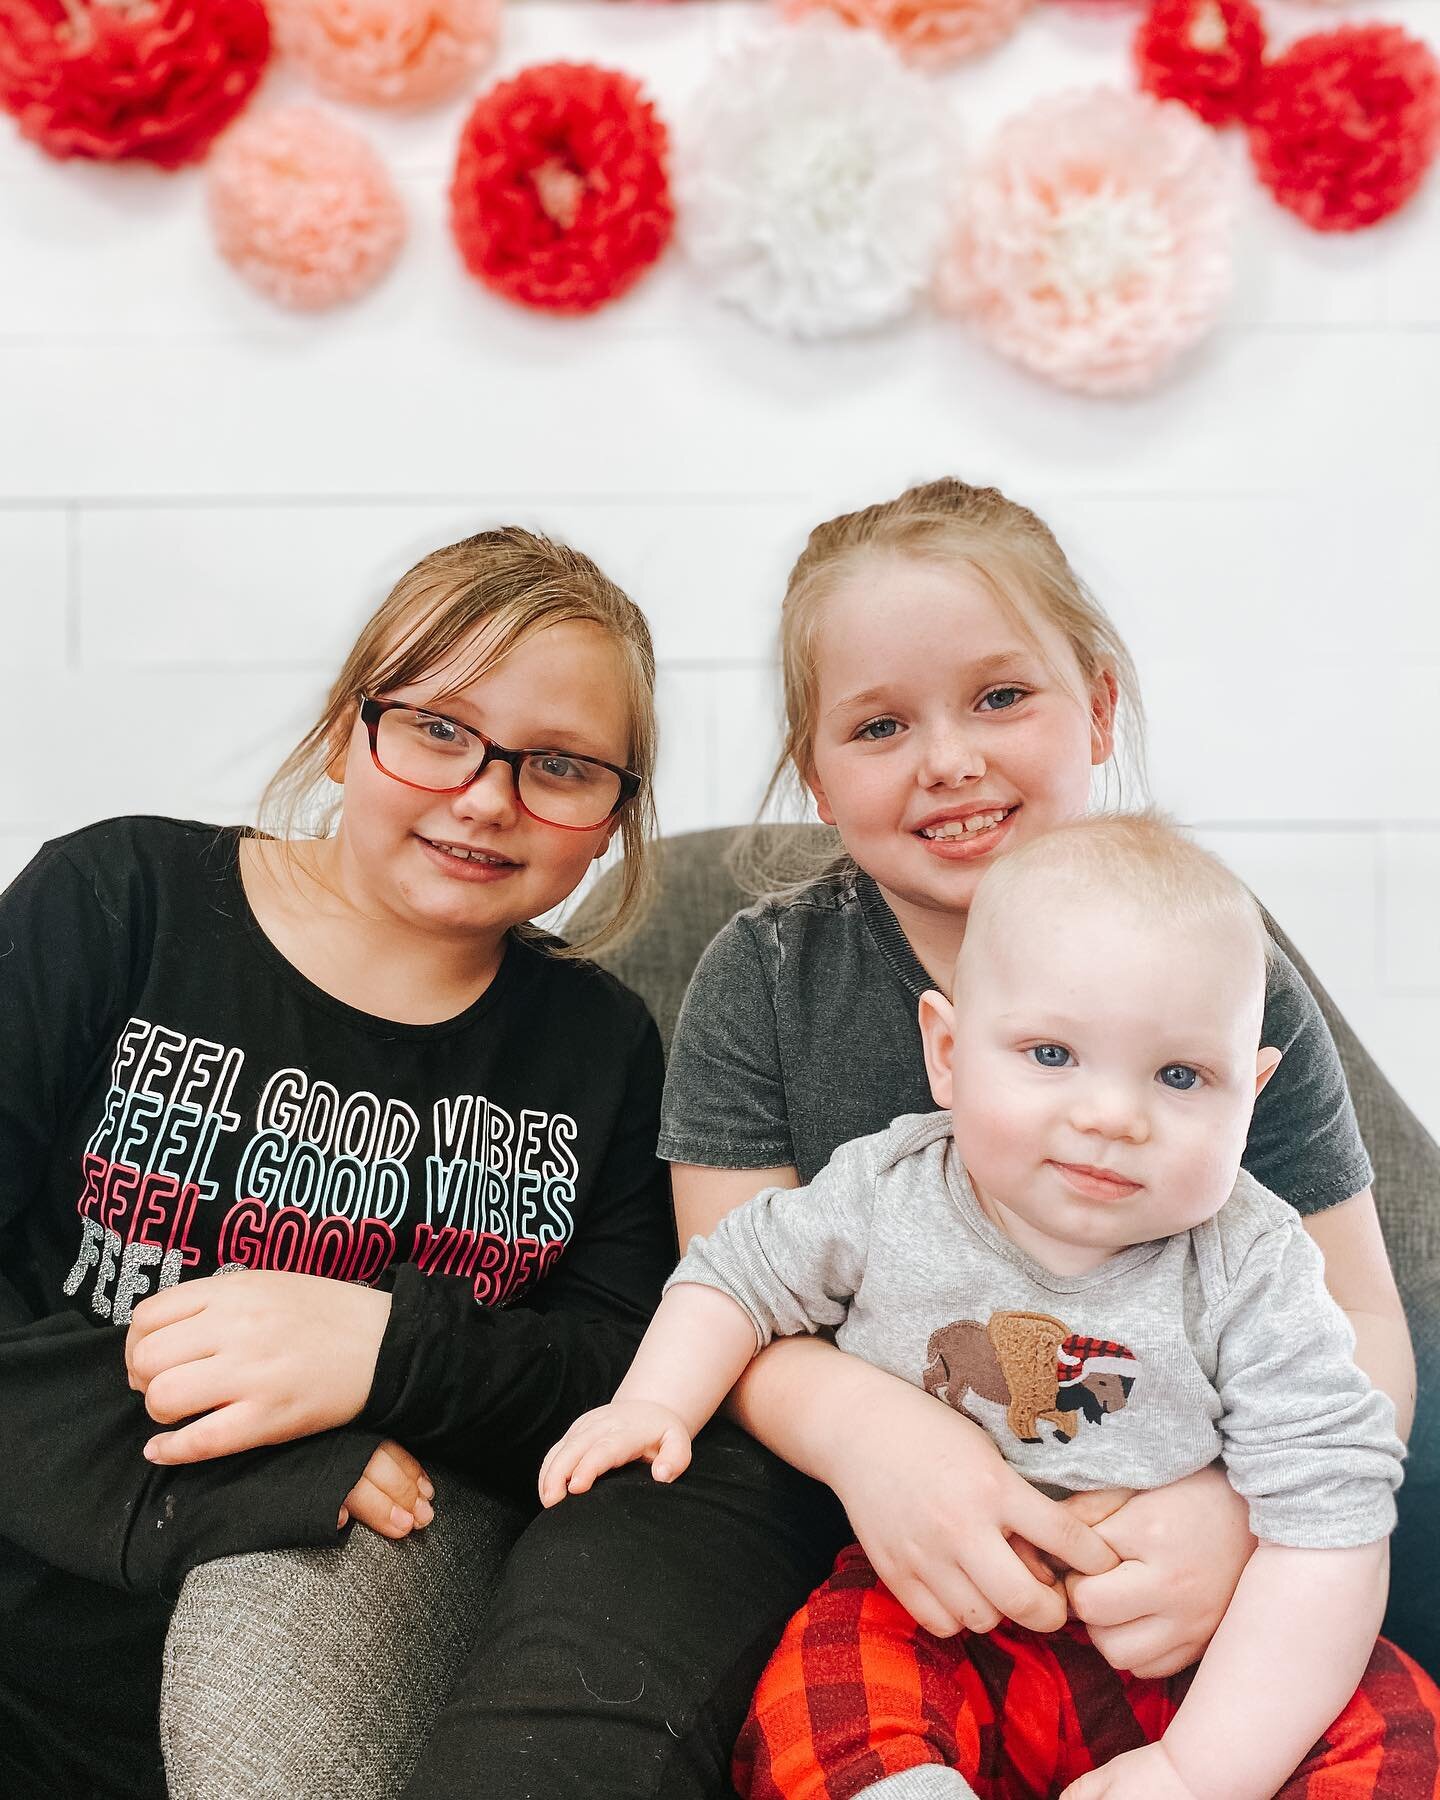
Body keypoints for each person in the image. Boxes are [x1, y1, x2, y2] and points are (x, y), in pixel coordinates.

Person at [398, 478, 1432, 1800]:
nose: (950, 758)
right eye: (882, 724)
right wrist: (882, 1444)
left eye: (1002, 698)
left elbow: (1362, 1332)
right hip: (838, 1506)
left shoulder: (1221, 967)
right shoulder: (770, 975)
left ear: (1099, 707)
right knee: (751, 1679)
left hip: (1175, 1498)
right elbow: (739, 1289)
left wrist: (1243, 1524)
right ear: (816, 776)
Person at [542, 813, 1439, 1799]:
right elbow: (736, 1272)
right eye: (1052, 1054)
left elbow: (1334, 1522)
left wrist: (1200, 1770)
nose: (1112, 1115)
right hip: (934, 1618)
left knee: (1399, 1726)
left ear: (1253, 1095)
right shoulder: (886, 1191)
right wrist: (654, 1403)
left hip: (1197, 1649)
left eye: (1180, 1076)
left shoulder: (1257, 1264)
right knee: (823, 1697)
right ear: (949, 1052)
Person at [0, 527, 676, 1800]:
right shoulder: (117, 902)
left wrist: (383, 1346)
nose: (485, 796)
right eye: (437, 728)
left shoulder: (601, 1045)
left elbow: (616, 1373)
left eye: (561, 766)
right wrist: (258, 1470)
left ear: (612, 820)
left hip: (353, 1662)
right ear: (344, 731)